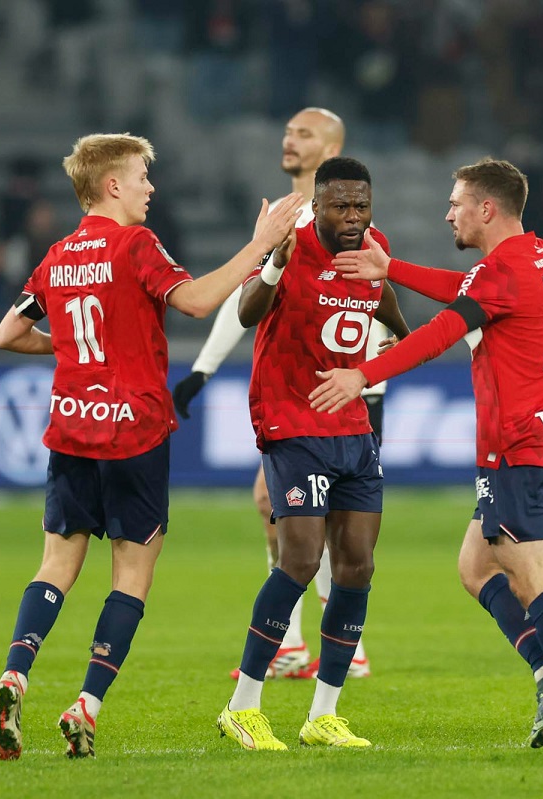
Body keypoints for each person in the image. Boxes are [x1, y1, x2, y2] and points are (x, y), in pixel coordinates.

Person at [0, 133, 303, 760]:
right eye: (141, 177)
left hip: (73, 429)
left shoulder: (59, 254)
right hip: (133, 431)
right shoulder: (136, 245)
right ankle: (86, 705)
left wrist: (77, 347)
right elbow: (194, 302)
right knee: (132, 574)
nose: (149, 188)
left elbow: (7, 332)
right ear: (112, 186)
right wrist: (260, 247)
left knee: (55, 565)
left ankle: (15, 673)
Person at [311, 157, 543, 755]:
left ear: (486, 209)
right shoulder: (541, 255)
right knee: (476, 568)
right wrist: (391, 267)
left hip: (519, 443)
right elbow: (475, 291)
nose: (447, 211)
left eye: (456, 203)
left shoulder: (500, 272)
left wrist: (362, 374)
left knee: (531, 574)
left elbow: (441, 332)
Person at [172, 108, 405, 680]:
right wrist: (202, 369)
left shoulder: (336, 216)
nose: (288, 140)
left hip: (343, 392)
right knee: (283, 512)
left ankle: (321, 644)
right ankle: (309, 643)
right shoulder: (286, 215)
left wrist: (375, 369)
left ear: (332, 145)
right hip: (302, 393)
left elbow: (377, 292)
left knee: (313, 520)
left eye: (303, 133)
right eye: (287, 131)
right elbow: (247, 296)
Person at [218, 156, 410, 752]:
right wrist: (271, 259)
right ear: (318, 206)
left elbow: (393, 317)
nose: (353, 217)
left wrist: (389, 353)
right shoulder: (292, 247)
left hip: (352, 427)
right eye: (341, 206)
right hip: (291, 419)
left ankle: (323, 714)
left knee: (357, 566)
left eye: (362, 206)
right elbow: (249, 313)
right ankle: (243, 706)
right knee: (301, 559)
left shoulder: (373, 250)